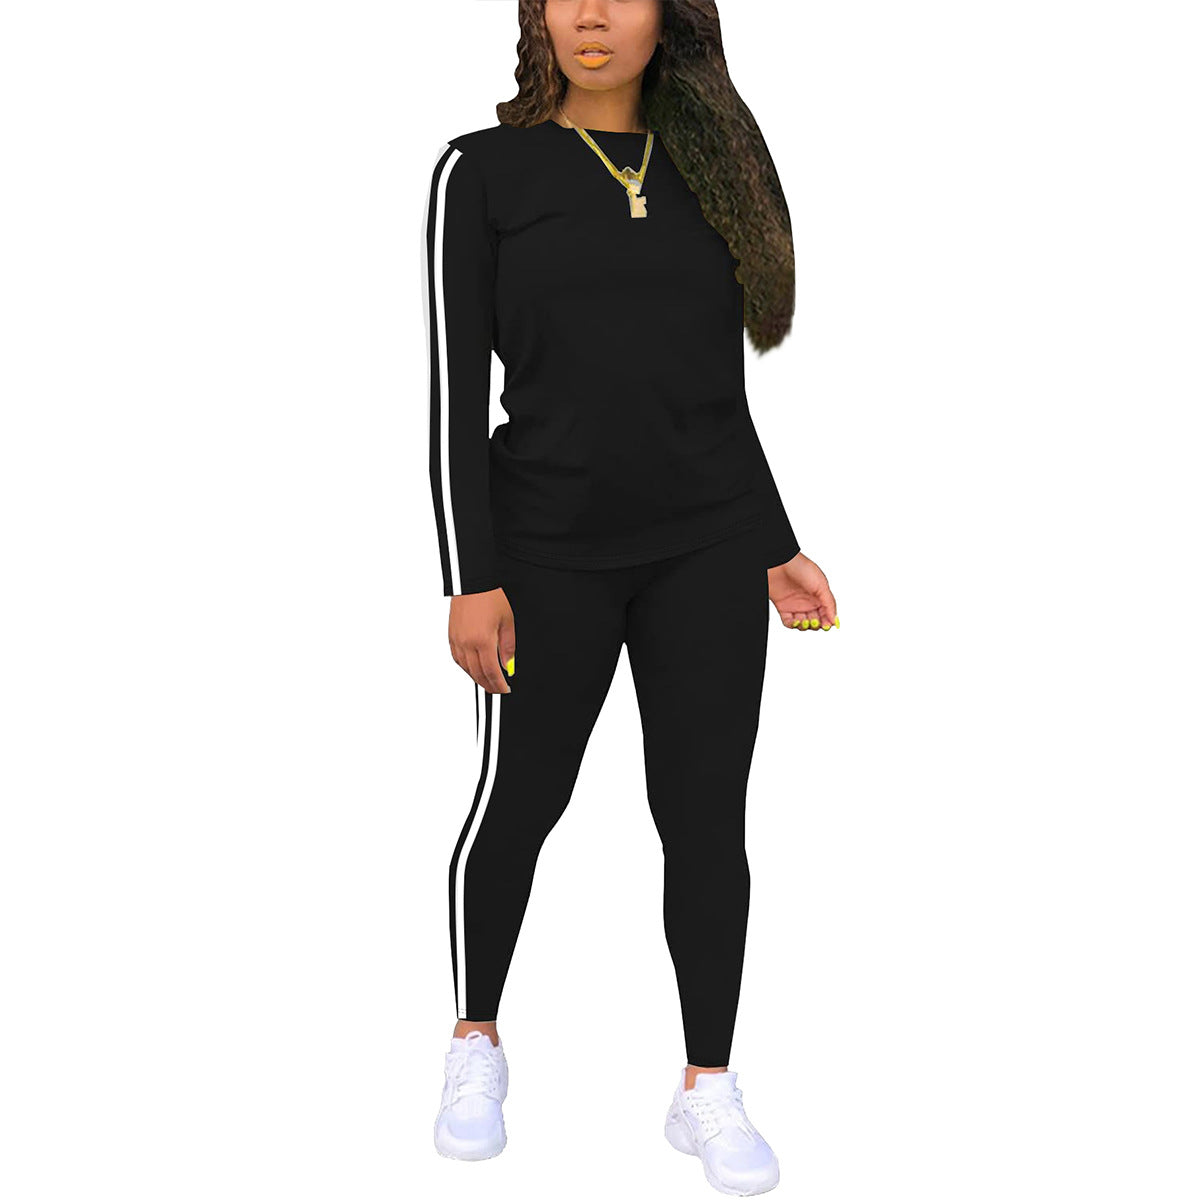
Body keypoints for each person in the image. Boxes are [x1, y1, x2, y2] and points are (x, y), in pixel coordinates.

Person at [421, 2, 837, 1193]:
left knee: (705, 818)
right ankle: (475, 1042)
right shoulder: (480, 172)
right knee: (522, 799)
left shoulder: (716, 170)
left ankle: (707, 1085)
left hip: (705, 549)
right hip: (544, 554)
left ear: (673, 15)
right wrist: (470, 580)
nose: (591, 15)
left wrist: (774, 543)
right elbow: (451, 392)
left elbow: (713, 390)